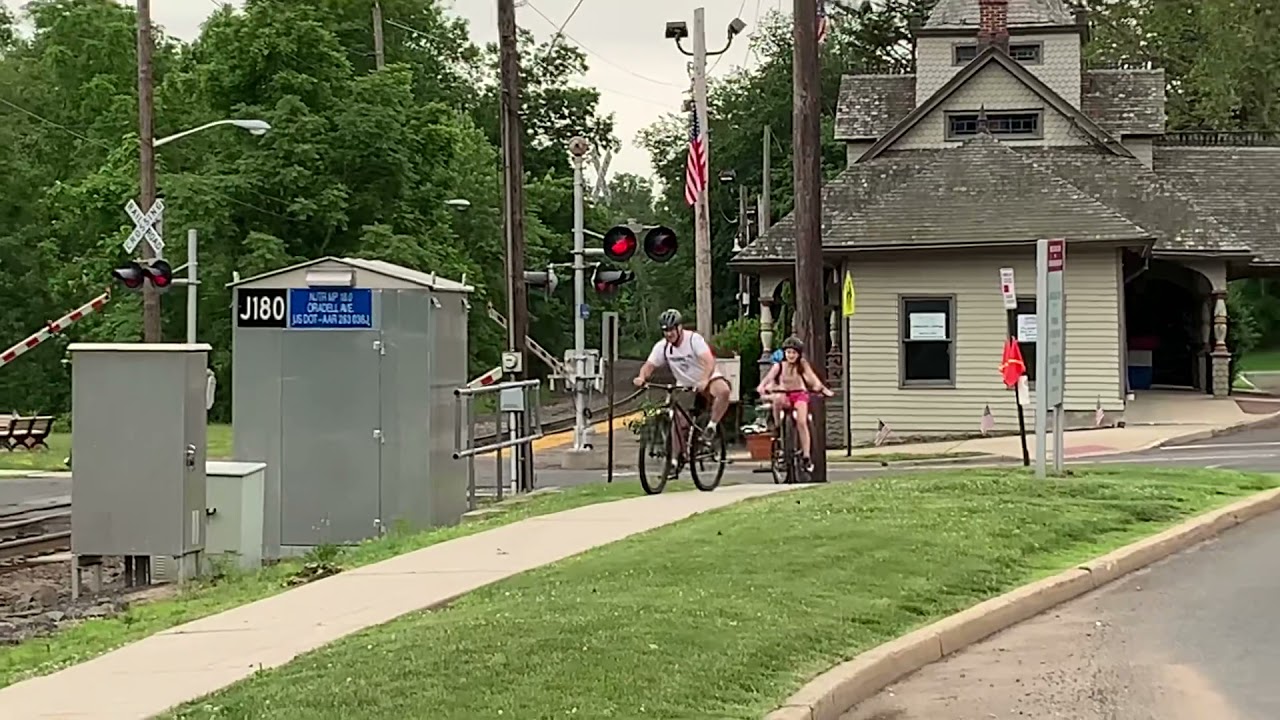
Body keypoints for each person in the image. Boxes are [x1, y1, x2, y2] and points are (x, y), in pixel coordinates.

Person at [632, 308, 733, 442]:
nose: (669, 334)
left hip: (706, 378)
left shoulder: (693, 340)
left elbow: (709, 361)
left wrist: (704, 380)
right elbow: (649, 365)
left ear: (679, 328)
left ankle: (711, 426)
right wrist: (641, 377)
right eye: (665, 330)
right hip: (684, 385)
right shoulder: (662, 346)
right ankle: (675, 459)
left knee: (723, 391)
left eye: (671, 329)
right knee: (679, 422)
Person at [756, 335, 834, 472]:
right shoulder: (779, 366)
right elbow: (768, 379)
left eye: (794, 353)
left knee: (802, 421)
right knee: (777, 399)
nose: (791, 355)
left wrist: (820, 388)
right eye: (788, 352)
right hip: (784, 394)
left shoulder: (802, 365)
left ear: (799, 354)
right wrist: (762, 387)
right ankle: (778, 428)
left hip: (799, 395)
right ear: (784, 353)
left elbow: (812, 378)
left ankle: (806, 456)